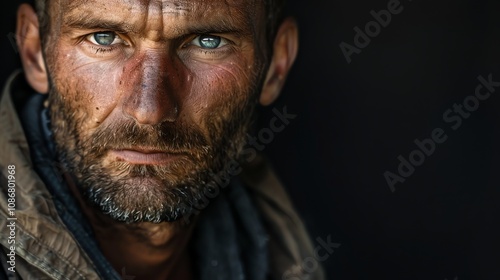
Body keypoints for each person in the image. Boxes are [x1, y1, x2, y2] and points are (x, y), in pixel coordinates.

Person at [0, 0, 324, 279]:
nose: (149, 110)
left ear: (275, 66)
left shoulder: (282, 256)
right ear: (34, 51)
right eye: (104, 37)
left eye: (208, 42)